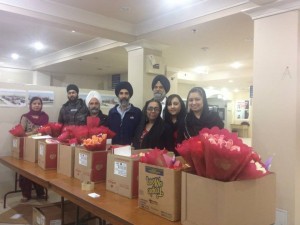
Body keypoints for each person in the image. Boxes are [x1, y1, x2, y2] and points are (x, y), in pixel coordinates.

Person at [19, 96, 49, 202]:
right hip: (28, 148)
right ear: (30, 105)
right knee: (26, 170)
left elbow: (47, 130)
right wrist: (34, 132)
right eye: (34, 103)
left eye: (39, 103)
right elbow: (21, 133)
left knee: (40, 170)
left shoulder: (45, 117)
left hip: (41, 147)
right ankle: (26, 194)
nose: (37, 105)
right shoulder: (25, 117)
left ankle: (40, 192)